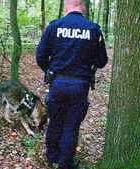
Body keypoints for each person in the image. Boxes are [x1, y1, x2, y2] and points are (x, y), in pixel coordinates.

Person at [36, 0, 108, 168]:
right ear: (82, 7)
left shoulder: (54, 27)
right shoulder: (93, 29)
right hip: (80, 86)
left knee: (55, 122)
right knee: (71, 126)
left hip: (57, 83)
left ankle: (52, 158)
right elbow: (102, 60)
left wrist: (51, 71)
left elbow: (40, 56)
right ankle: (65, 163)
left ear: (67, 7)